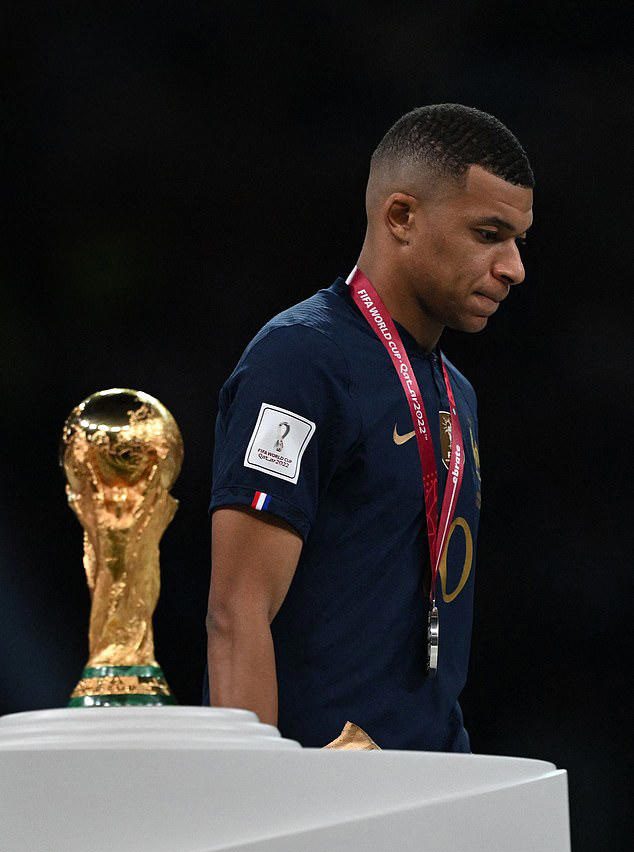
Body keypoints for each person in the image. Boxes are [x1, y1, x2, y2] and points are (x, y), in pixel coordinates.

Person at [202, 104, 534, 751]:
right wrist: (261, 811)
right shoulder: (300, 362)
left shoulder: (455, 392)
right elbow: (236, 611)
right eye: (488, 234)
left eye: (519, 240)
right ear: (401, 217)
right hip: (326, 798)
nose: (513, 266)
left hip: (427, 781)